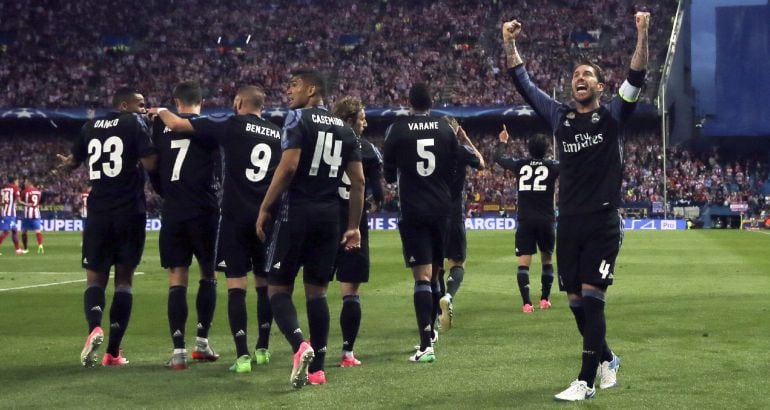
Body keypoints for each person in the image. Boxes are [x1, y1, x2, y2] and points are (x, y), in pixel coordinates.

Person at [502, 11, 650, 401]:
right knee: (575, 304)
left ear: (601, 85)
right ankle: (608, 359)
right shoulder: (559, 118)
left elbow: (636, 76)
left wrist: (642, 32)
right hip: (566, 222)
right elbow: (524, 84)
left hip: (602, 220)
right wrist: (508, 41)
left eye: (587, 75)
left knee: (593, 298)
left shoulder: (614, 115)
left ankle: (585, 382)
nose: (578, 79)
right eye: (575, 76)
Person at [150, 85, 282, 374]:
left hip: (206, 213)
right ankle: (257, 348)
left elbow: (169, 132)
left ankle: (186, 352)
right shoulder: (277, 131)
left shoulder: (228, 123)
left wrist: (158, 111)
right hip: (255, 215)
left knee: (198, 279)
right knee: (259, 283)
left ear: (237, 102)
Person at [256, 68, 364, 388]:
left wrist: (265, 207)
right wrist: (354, 226)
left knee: (277, 288)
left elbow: (288, 167)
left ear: (312, 89)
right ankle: (317, 369)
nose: (288, 91)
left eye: (294, 85)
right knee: (317, 292)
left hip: (295, 214)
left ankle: (299, 344)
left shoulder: (297, 119)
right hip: (330, 218)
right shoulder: (346, 130)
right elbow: (358, 181)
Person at [57, 86, 157, 367]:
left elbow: (73, 162)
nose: (143, 108)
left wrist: (66, 164)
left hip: (98, 210)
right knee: (124, 280)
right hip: (129, 211)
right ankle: (113, 352)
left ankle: (94, 327)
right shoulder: (134, 122)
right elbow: (151, 163)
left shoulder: (90, 126)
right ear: (123, 105)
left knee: (95, 278)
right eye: (140, 103)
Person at [382, 83, 459, 363]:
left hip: (413, 209)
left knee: (422, 277)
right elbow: (454, 166)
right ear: (431, 102)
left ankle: (425, 344)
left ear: (409, 102)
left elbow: (388, 171)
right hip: (441, 208)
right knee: (436, 271)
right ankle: (435, 330)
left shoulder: (397, 129)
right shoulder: (445, 128)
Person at [149, 82, 220, 370]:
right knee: (208, 272)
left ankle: (178, 351)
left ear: (177, 100)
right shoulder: (210, 126)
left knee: (177, 276)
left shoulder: (159, 126)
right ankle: (201, 343)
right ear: (201, 101)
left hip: (174, 209)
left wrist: (166, 192)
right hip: (204, 208)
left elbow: (153, 168)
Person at [331, 96, 384, 367]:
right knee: (350, 292)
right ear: (351, 120)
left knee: (315, 289)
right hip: (354, 226)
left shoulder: (323, 144)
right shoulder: (367, 149)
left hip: (325, 222)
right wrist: (375, 202)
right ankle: (347, 353)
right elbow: (379, 193)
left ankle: (312, 348)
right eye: (362, 118)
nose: (366, 122)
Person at [494, 129, 559, 313]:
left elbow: (499, 158)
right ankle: (545, 299)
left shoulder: (520, 165)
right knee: (547, 260)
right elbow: (572, 163)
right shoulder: (552, 166)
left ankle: (527, 304)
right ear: (547, 149)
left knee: (523, 263)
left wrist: (503, 141)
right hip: (546, 219)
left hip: (525, 220)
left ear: (529, 149)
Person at [439, 116, 485, 330]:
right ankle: (448, 296)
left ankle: (434, 312)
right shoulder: (461, 150)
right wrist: (466, 139)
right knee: (458, 263)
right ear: (456, 132)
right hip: (454, 211)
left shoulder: (432, 148)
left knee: (434, 264)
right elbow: (481, 163)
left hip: (432, 210)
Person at [19, 180, 45, 254]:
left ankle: (26, 249)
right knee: (38, 230)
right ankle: (40, 246)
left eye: (25, 183)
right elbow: (39, 201)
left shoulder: (25, 191)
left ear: (29, 183)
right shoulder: (38, 192)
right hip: (36, 213)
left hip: (27, 214)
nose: (24, 184)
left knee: (24, 232)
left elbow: (21, 201)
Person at [0, 177, 22, 256]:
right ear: (14, 181)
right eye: (17, 181)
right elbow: (18, 200)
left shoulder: (3, 189)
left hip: (5, 212)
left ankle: (18, 249)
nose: (18, 183)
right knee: (6, 231)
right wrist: (27, 204)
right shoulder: (15, 188)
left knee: (14, 230)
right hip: (10, 214)